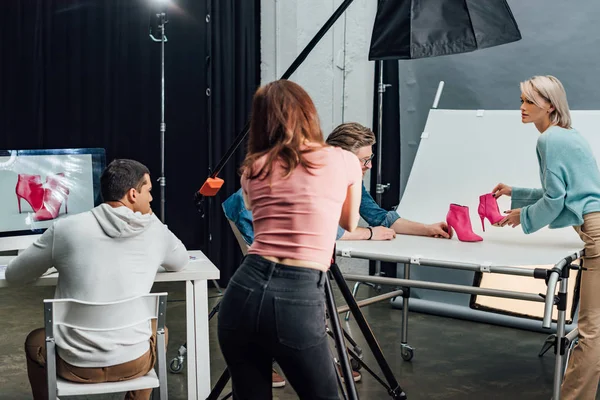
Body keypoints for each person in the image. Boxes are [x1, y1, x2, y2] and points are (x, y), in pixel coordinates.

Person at [217, 79, 362, 399]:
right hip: (296, 294)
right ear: (309, 114)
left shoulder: (253, 169)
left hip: (243, 290)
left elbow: (260, 214)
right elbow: (348, 222)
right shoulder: (344, 160)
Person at [6, 159, 189, 400]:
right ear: (133, 194)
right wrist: (151, 220)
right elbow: (181, 261)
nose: (152, 199)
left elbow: (14, 274)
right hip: (134, 364)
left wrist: (53, 265)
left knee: (35, 341)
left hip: (75, 367)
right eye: (149, 191)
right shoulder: (156, 231)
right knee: (159, 330)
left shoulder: (65, 228)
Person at [492, 75, 600, 400]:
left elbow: (556, 200)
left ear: (549, 105)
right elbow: (567, 194)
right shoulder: (568, 134)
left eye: (529, 101)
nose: (522, 107)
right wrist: (517, 195)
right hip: (595, 227)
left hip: (596, 234)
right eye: (522, 100)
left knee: (591, 331)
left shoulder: (549, 140)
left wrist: (522, 216)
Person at [224, 122, 453, 246]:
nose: (369, 166)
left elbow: (380, 217)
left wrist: (427, 229)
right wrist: (371, 234)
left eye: (370, 159)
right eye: (364, 160)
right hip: (249, 214)